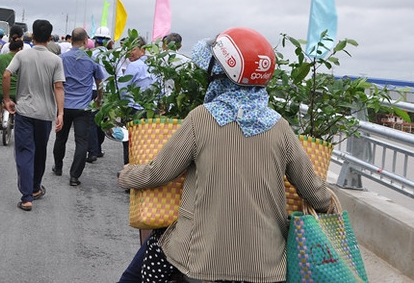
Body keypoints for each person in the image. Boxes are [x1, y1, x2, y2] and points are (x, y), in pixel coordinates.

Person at [116, 27, 333, 283]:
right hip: (265, 264)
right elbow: (314, 191)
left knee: (134, 275)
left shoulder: (201, 119)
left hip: (200, 258)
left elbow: (158, 173)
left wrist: (126, 175)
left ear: (222, 73)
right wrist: (328, 206)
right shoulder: (280, 127)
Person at [2, 19, 65, 212]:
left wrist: (6, 100)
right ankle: (36, 188)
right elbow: (59, 87)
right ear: (49, 37)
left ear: (32, 36)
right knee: (40, 151)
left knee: (24, 152)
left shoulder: (22, 55)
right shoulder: (56, 60)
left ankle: (27, 197)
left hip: (25, 111)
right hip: (45, 114)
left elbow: (6, 75)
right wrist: (60, 113)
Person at [52, 27, 104, 186]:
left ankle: (58, 167)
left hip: (64, 105)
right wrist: (99, 100)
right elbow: (99, 83)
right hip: (83, 107)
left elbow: (56, 83)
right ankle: (74, 176)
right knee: (81, 141)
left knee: (61, 138)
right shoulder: (91, 61)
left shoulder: (61, 59)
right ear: (84, 42)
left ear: (71, 40)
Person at [117, 35, 157, 165]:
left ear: (142, 50)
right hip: (151, 111)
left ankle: (129, 177)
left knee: (130, 145)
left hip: (133, 110)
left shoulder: (135, 66)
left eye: (133, 49)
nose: (129, 53)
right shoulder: (154, 65)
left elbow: (122, 89)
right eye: (128, 49)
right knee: (147, 146)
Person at [88, 26, 112, 162]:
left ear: (95, 40)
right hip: (108, 92)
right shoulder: (112, 57)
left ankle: (93, 151)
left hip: (92, 90)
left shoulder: (90, 55)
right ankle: (98, 148)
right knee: (102, 122)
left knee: (91, 122)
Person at [0, 37, 23, 130]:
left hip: (1, 90)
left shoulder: (1, 57)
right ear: (20, 49)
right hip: (16, 92)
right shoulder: (22, 59)